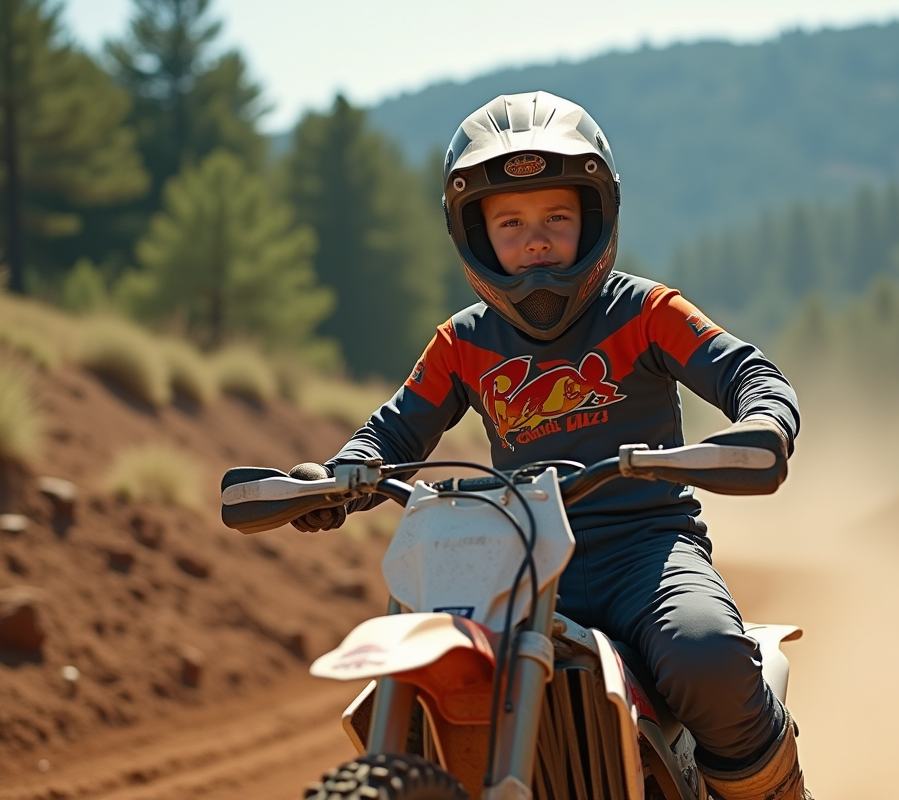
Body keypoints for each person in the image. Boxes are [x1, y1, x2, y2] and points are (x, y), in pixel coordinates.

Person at [290, 91, 810, 800]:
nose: (536, 239)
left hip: (647, 549)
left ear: (594, 220)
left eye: (557, 217)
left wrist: (764, 421)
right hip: (512, 566)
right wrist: (345, 473)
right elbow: (394, 429)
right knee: (422, 679)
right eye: (511, 222)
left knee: (706, 656)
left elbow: (749, 372)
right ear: (474, 235)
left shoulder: (647, 312)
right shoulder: (461, 343)